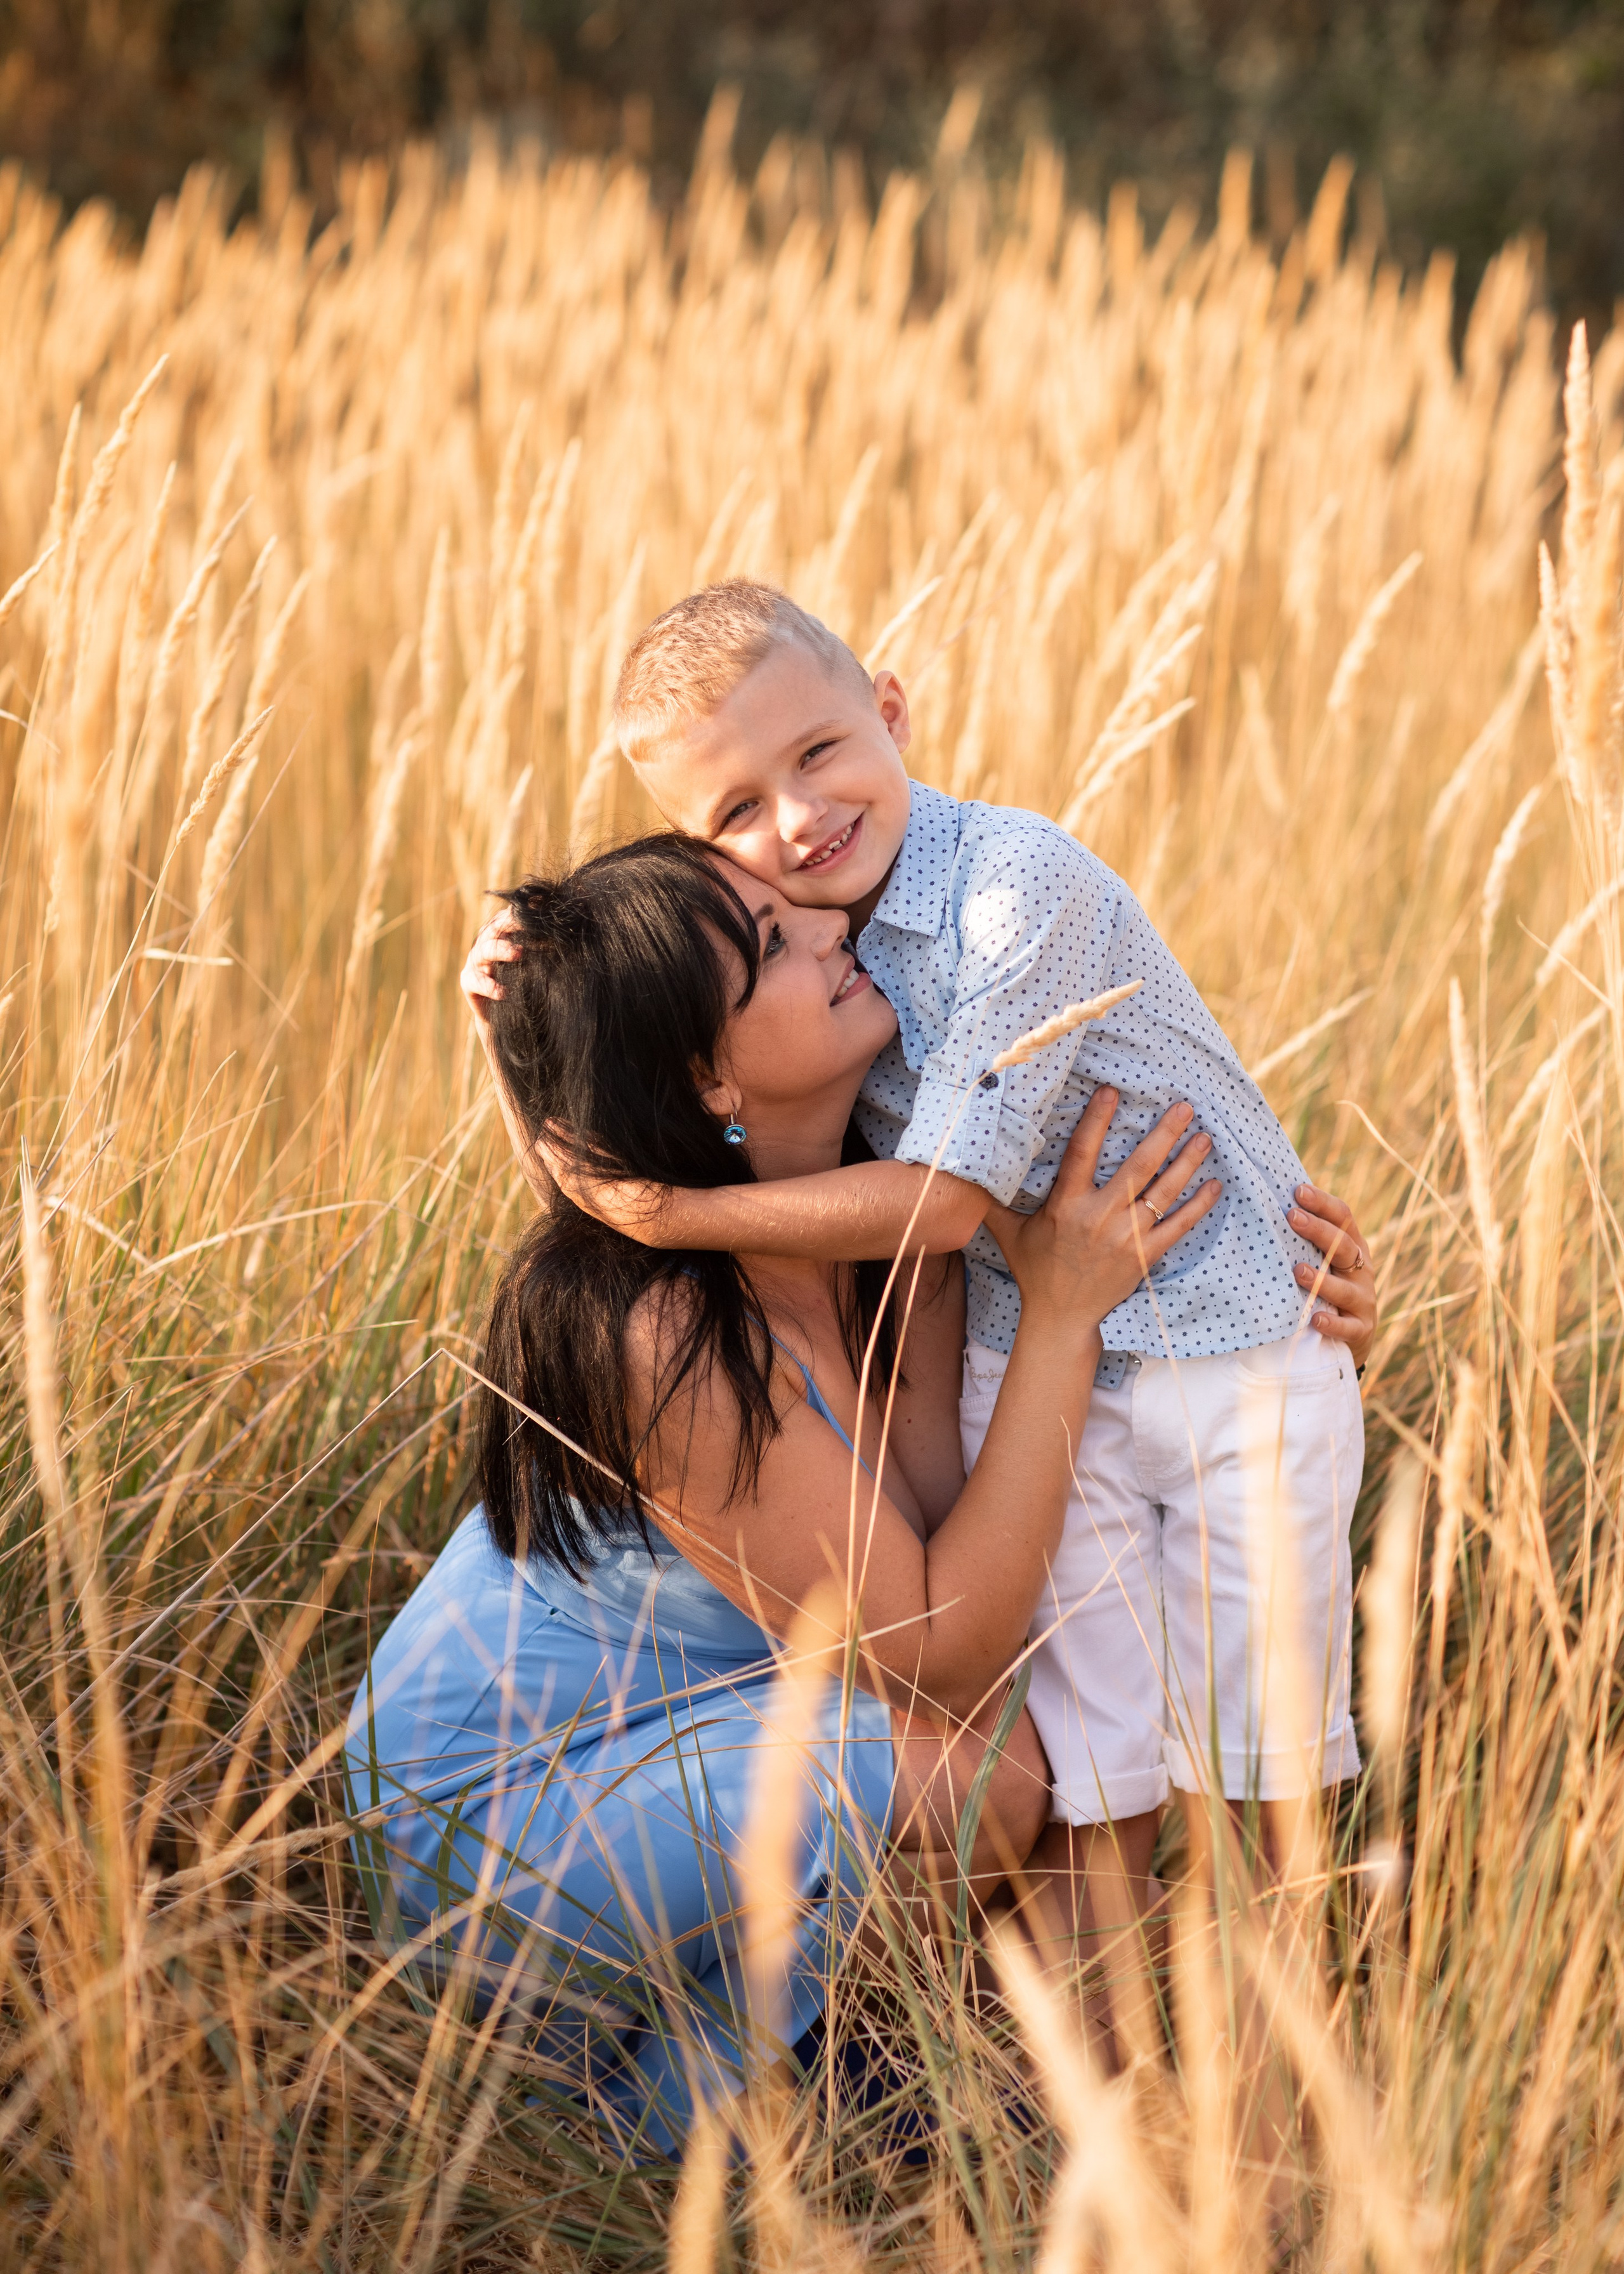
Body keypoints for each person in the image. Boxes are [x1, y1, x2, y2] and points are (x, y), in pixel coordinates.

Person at [463, 579, 1378, 2037]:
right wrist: (521, 1016)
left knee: (1219, 1762)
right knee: (1059, 1775)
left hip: (1213, 1362)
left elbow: (921, 1197)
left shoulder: (998, 914)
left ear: (889, 711)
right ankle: (1066, 2098)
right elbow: (640, 1108)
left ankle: (1229, 2084)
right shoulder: (783, 1053)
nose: (797, 836)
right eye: (739, 827)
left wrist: (667, 1206)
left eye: (820, 756)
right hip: (1035, 1380)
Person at [348, 831, 1224, 2156]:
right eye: (771, 945)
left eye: (796, 909)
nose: (831, 930)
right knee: (982, 1778)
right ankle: (642, 2112)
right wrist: (1059, 1317)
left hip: (689, 1729)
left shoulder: (890, 1213)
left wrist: (1295, 1297)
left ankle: (839, 2054)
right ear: (704, 1079)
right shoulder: (654, 1329)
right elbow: (933, 1648)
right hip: (498, 1824)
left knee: (1013, 1739)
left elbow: (941, 1554)